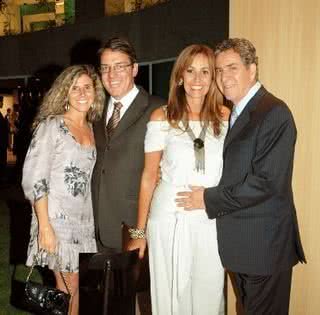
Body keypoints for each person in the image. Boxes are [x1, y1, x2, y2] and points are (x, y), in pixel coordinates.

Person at [176, 38, 306, 315]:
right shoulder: (237, 111)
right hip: (243, 247)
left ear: (252, 70)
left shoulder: (274, 112)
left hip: (264, 248)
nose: (224, 77)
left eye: (232, 68)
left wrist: (207, 199)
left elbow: (266, 183)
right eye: (219, 70)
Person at [128, 44, 229, 315]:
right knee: (171, 291)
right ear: (180, 76)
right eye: (191, 71)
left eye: (205, 72)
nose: (197, 80)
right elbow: (149, 176)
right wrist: (139, 233)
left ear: (213, 77)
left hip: (210, 216)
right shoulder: (162, 117)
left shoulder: (226, 117)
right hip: (168, 217)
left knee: (209, 289)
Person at [22, 64, 105, 315]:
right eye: (75, 88)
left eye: (87, 87)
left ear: (95, 92)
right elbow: (35, 177)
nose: (81, 93)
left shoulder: (93, 128)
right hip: (56, 220)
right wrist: (44, 225)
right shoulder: (52, 126)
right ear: (64, 93)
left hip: (84, 221)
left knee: (73, 287)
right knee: (67, 286)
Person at [92, 36, 164, 251]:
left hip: (134, 228)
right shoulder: (94, 110)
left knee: (135, 286)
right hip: (94, 225)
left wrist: (140, 232)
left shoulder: (158, 110)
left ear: (134, 69)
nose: (111, 75)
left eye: (119, 67)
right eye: (105, 68)